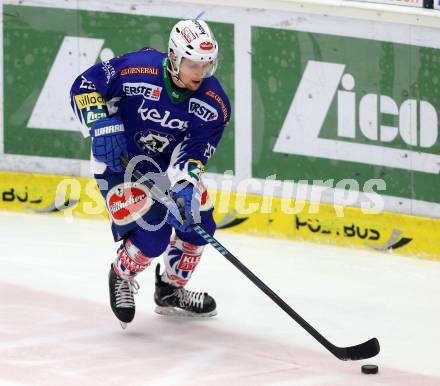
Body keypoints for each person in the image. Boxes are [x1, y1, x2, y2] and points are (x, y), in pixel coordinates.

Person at [70, 19, 231, 327]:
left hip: (164, 170)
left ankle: (170, 291)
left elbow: (195, 150)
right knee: (153, 235)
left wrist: (184, 184)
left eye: (206, 65)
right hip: (116, 164)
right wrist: (100, 124)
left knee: (198, 222)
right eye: (193, 65)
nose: (201, 73)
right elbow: (86, 85)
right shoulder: (137, 68)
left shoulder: (213, 102)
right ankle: (122, 274)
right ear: (173, 57)